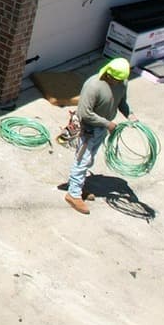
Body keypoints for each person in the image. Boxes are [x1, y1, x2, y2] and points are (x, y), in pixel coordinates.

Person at [66, 57, 134, 214]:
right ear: (109, 74)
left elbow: (121, 102)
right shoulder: (93, 85)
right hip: (88, 129)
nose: (118, 83)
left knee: (88, 160)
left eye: (121, 80)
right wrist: (107, 124)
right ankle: (73, 194)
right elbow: (84, 113)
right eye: (116, 79)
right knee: (82, 160)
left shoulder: (122, 83)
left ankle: (77, 185)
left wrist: (130, 115)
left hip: (101, 129)